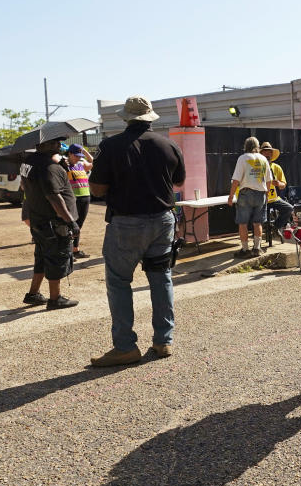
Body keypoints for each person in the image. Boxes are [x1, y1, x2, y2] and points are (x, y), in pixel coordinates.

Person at [88, 96, 186, 367]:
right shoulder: (169, 144)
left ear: (125, 118)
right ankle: (163, 340)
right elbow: (179, 182)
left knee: (119, 282)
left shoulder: (110, 146)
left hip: (126, 223)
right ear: (150, 117)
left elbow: (96, 188)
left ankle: (125, 347)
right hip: (163, 220)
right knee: (161, 278)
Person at [20, 138, 79, 310]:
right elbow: (54, 196)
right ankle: (55, 299)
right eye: (55, 143)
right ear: (42, 145)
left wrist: (62, 167)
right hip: (54, 223)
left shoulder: (28, 162)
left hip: (38, 220)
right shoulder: (49, 167)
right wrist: (71, 221)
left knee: (41, 257)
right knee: (56, 258)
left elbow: (26, 186)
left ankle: (33, 294)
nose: (59, 146)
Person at [228, 137, 272, 257]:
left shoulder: (242, 158)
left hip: (245, 193)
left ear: (245, 146)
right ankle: (257, 249)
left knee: (243, 223)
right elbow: (269, 180)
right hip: (261, 194)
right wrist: (266, 194)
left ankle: (245, 250)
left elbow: (236, 180)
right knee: (258, 223)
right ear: (257, 146)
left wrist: (231, 196)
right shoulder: (263, 159)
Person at [259, 141, 293, 243]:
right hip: (260, 199)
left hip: (274, 198)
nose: (267, 154)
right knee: (258, 216)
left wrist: (278, 183)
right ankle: (260, 236)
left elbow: (283, 185)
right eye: (264, 152)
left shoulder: (276, 167)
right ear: (260, 154)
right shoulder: (256, 167)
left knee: (289, 208)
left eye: (269, 152)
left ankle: (275, 227)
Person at [66, 143, 93, 259]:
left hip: (85, 196)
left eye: (79, 156)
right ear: (69, 154)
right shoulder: (65, 165)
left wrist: (84, 152)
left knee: (79, 225)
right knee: (72, 225)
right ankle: (67, 251)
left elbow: (92, 162)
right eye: (75, 155)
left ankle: (75, 249)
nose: (77, 158)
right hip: (73, 198)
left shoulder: (81, 164)